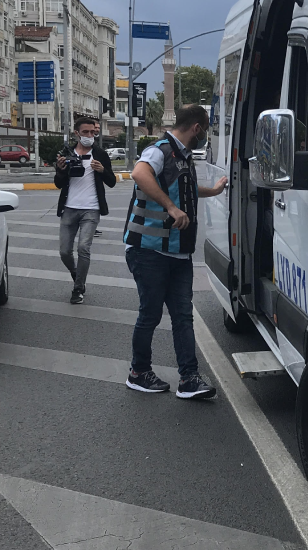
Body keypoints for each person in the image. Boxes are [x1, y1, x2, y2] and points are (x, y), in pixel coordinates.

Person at [123, 104, 227, 398]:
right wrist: (170, 208)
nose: (204, 135)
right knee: (150, 315)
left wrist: (214, 190)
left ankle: (189, 379)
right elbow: (139, 174)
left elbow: (186, 188)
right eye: (205, 130)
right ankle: (138, 372)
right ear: (197, 128)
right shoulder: (160, 150)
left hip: (178, 253)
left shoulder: (182, 156)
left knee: (183, 316)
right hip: (149, 251)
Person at [54, 117, 116, 304]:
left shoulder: (100, 154)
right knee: (65, 251)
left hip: (91, 209)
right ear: (77, 133)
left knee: (83, 248)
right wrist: (61, 170)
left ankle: (78, 288)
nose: (90, 135)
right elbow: (58, 184)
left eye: (93, 132)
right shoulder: (66, 153)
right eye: (86, 132)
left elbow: (111, 182)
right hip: (69, 208)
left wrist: (102, 170)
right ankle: (76, 273)